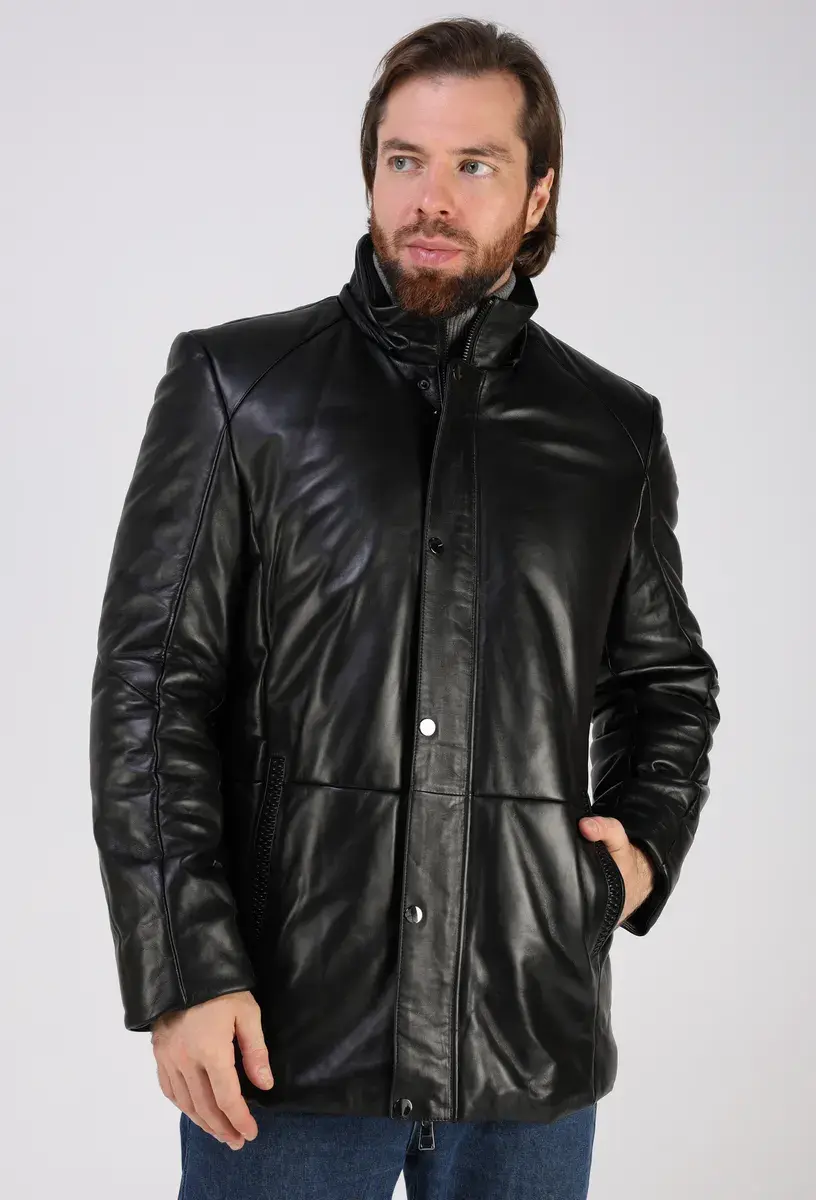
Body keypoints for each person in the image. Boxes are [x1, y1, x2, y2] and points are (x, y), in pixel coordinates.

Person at [89, 16, 721, 1200]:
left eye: (474, 164)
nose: (431, 197)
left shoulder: (610, 431)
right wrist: (183, 970)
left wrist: (635, 857)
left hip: (526, 1051)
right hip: (283, 1045)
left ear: (538, 194)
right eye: (404, 159)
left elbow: (666, 685)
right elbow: (152, 690)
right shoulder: (239, 388)